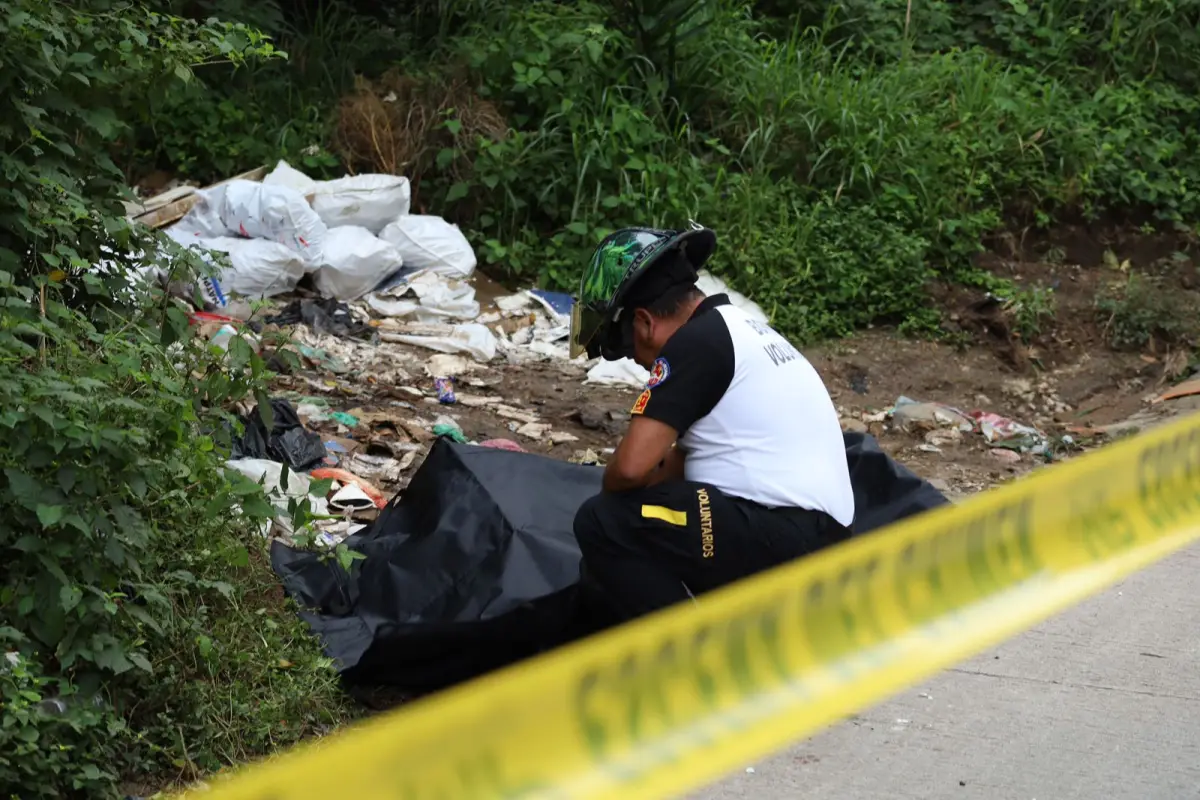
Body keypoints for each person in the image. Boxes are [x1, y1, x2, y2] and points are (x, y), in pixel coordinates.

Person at [568, 224, 856, 625]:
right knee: (639, 527)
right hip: (818, 538)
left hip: (786, 535)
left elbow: (631, 469)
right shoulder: (741, 329)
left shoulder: (695, 343)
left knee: (602, 522)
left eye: (630, 351)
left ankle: (690, 656)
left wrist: (614, 489)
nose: (639, 363)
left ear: (646, 322)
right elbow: (679, 465)